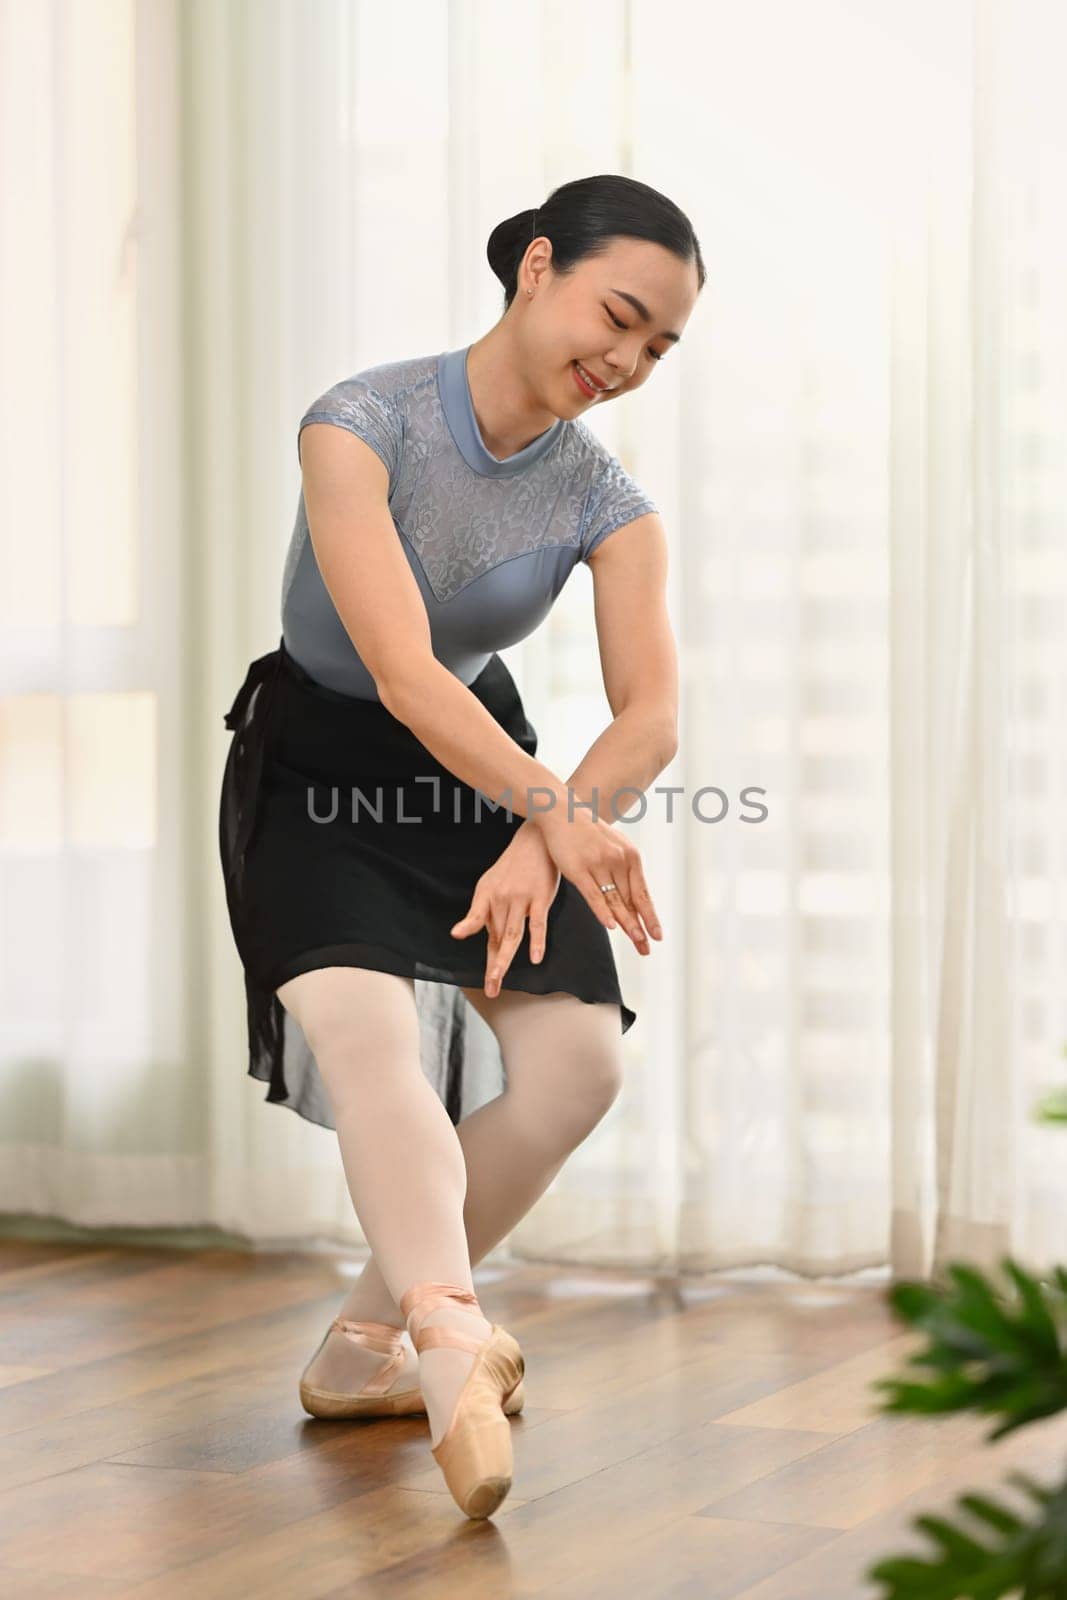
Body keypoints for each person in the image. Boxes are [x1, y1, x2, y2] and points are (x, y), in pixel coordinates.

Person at [218, 172, 704, 1518]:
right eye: (617, 315)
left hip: (490, 777)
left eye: (658, 347)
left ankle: (366, 1346)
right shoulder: (359, 423)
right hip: (324, 767)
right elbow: (402, 667)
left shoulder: (608, 501)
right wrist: (554, 813)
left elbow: (651, 715)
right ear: (537, 267)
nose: (625, 361)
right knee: (376, 1052)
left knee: (574, 1071)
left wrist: (545, 839)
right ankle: (445, 1343)